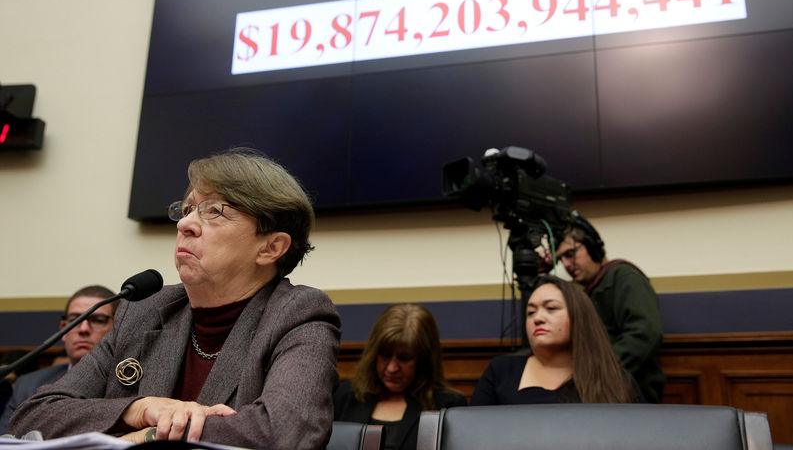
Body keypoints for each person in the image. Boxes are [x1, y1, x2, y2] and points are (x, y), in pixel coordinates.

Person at [8, 148, 341, 450]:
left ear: (270, 248)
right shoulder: (143, 311)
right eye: (187, 209)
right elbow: (34, 417)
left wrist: (150, 436)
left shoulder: (299, 315)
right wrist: (138, 409)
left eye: (214, 211)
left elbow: (286, 433)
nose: (185, 224)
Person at [470, 275, 638, 405]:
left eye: (551, 308)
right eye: (530, 312)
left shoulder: (615, 379)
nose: (538, 318)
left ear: (578, 317)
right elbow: (472, 434)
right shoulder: (501, 371)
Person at [554, 210, 666, 403]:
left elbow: (646, 333)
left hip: (628, 394)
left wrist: (599, 372)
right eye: (561, 259)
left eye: (571, 254)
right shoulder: (587, 291)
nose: (566, 265)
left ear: (592, 247)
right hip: (597, 392)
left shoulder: (623, 276)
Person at [334, 303, 466, 450]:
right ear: (373, 355)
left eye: (404, 358)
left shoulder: (448, 406)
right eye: (385, 355)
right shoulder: (343, 397)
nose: (391, 368)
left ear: (423, 360)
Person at [0, 285, 117, 433]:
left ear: (117, 330)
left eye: (98, 320)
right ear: (63, 329)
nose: (83, 329)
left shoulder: (129, 384)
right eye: (75, 320)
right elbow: (7, 440)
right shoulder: (27, 385)